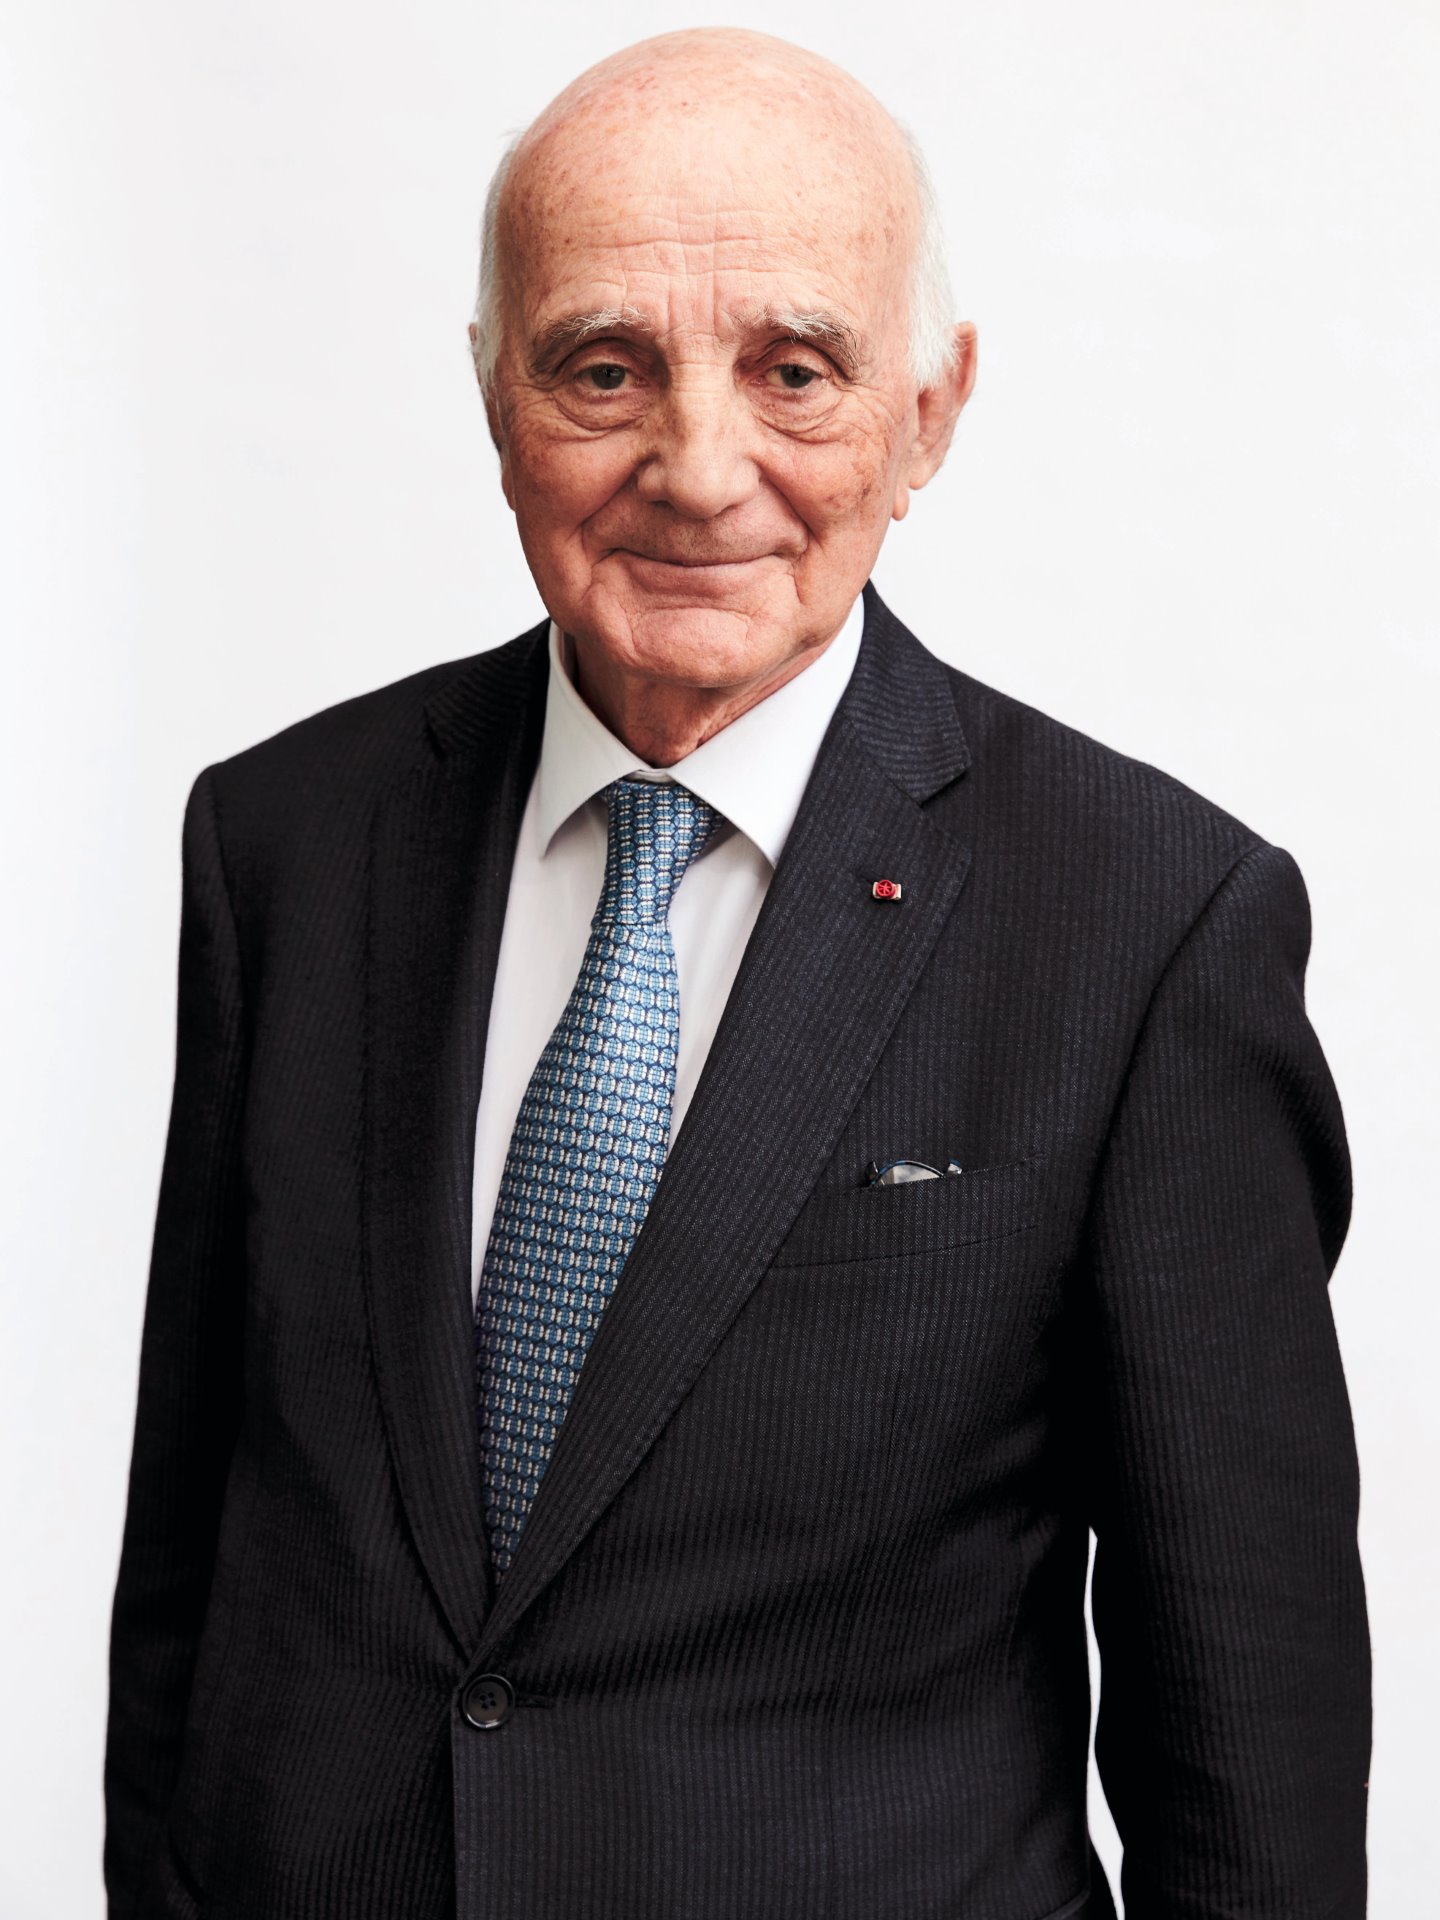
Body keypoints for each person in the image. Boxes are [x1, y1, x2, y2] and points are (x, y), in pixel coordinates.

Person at [104, 27, 1370, 1920]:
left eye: (795, 371)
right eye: (604, 368)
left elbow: (1249, 1769)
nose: (700, 472)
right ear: (494, 399)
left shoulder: (1151, 927)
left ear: (929, 413)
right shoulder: (284, 843)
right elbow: (193, 1577)